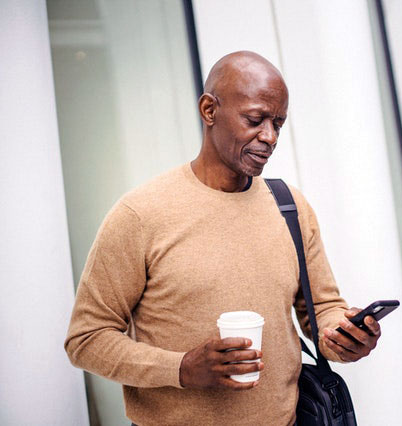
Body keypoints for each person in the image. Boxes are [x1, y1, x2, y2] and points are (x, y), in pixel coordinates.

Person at [64, 51, 382, 425]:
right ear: (209, 110)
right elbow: (87, 339)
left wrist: (342, 335)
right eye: (255, 119)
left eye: (278, 124)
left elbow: (322, 307)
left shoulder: (290, 207)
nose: (269, 137)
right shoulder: (140, 215)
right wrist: (182, 368)